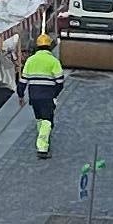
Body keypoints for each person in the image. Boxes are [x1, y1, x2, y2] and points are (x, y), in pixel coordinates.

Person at [19, 31, 67, 159]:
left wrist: (20, 96)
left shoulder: (30, 60)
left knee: (40, 119)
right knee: (47, 121)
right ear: (50, 46)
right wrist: (54, 94)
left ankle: (44, 141)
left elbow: (23, 81)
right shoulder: (53, 61)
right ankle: (42, 147)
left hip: (34, 97)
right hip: (47, 97)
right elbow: (60, 82)